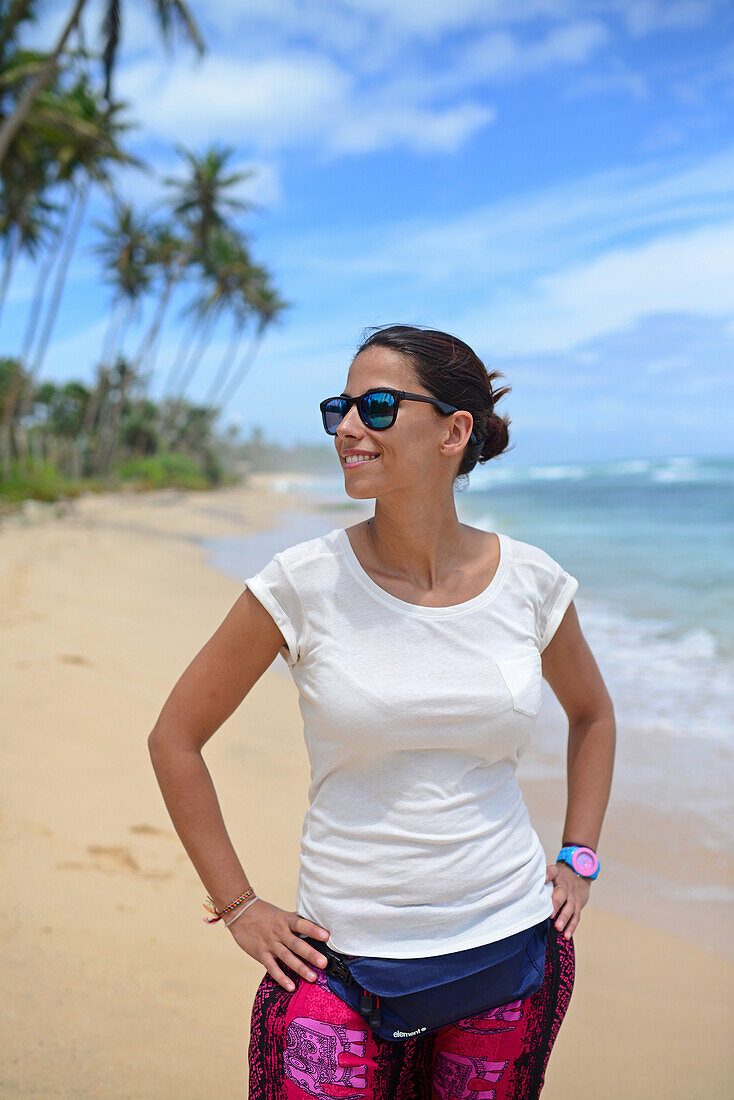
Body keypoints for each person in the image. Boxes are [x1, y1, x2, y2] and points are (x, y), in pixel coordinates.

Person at [148, 323, 616, 1098]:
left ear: (454, 432)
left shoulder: (533, 582)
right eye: (341, 408)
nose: (349, 430)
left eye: (377, 405)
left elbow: (593, 714)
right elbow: (175, 739)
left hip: (511, 955)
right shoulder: (301, 583)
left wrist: (580, 857)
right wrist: (238, 908)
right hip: (342, 969)